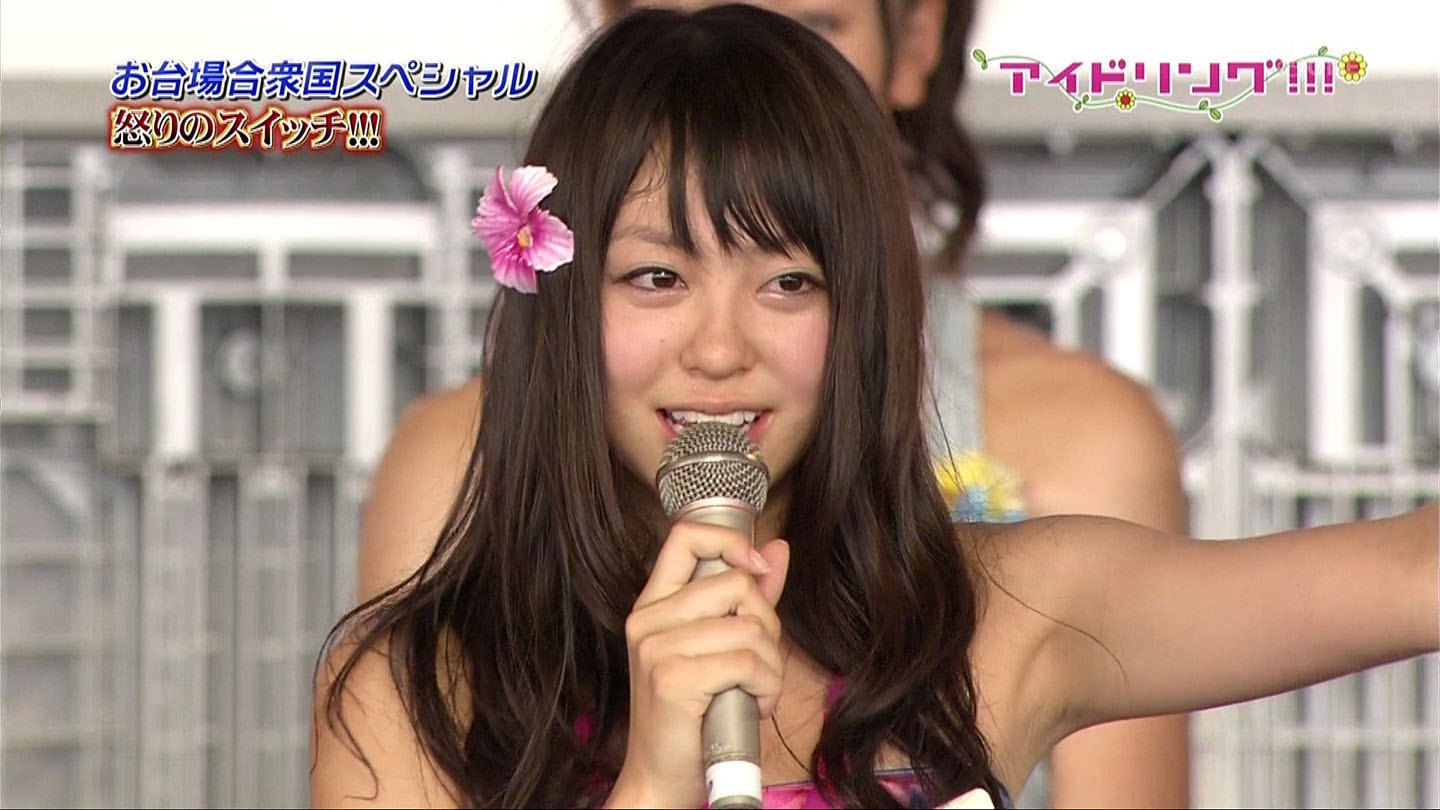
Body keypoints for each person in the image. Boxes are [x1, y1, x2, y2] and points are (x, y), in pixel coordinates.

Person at [310, 6, 1438, 809]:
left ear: (866, 311)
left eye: (788, 283)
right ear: (557, 298)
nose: (720, 349)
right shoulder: (411, 690)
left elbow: (1410, 575)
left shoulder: (999, 619)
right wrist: (652, 782)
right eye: (656, 276)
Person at [582, 1, 1191, 806]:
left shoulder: (1059, 500)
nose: (718, 351)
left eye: (812, 29)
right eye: (658, 278)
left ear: (915, 40)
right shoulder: (445, 629)